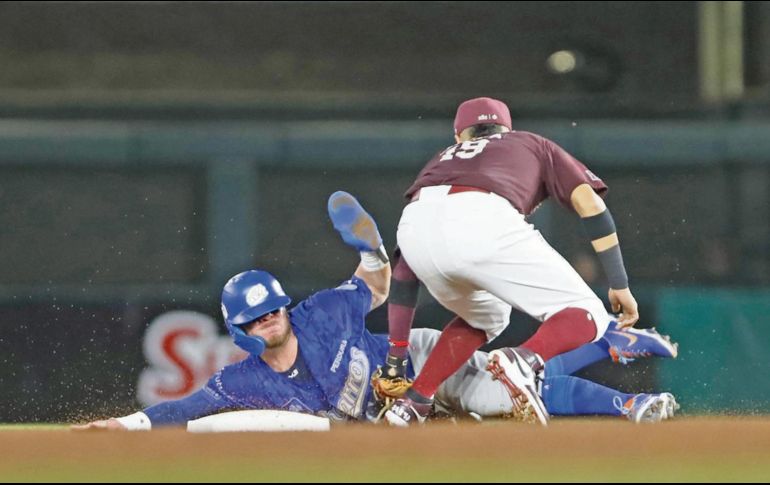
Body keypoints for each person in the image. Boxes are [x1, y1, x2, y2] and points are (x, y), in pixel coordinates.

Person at [73, 192, 673, 431]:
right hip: (391, 417)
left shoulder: (318, 315)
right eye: (256, 321)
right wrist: (127, 424)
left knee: (501, 394)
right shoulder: (242, 379)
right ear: (240, 332)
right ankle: (608, 345)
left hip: (414, 363)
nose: (270, 322)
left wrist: (373, 252)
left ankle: (624, 394)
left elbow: (375, 287)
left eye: (273, 311)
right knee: (491, 405)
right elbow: (185, 407)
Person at [383, 96, 639, 427]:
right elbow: (590, 205)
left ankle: (414, 402)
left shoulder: (440, 159)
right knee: (589, 313)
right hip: (482, 217)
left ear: (459, 136)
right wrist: (619, 282)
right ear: (506, 129)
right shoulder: (529, 142)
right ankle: (524, 359)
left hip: (414, 228)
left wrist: (396, 359)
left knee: (487, 314)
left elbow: (403, 274)